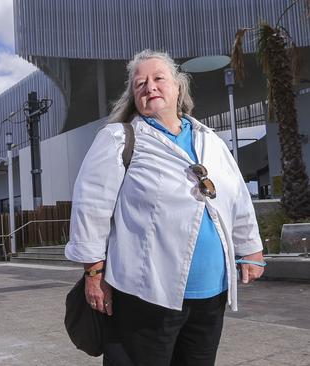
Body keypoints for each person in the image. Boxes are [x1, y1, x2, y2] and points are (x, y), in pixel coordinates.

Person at [64, 49, 265, 366]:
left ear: (178, 87)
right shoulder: (119, 138)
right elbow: (91, 208)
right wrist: (94, 273)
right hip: (147, 293)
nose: (149, 87)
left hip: (211, 292)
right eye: (140, 83)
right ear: (133, 95)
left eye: (159, 78)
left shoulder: (209, 138)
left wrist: (251, 249)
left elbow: (236, 196)